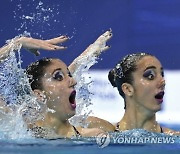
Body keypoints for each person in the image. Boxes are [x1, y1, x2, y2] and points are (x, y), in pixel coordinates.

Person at [0, 30, 115, 139]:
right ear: (40, 95)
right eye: (58, 77)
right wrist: (17, 44)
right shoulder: (19, 128)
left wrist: (84, 57)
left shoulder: (94, 133)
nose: (74, 81)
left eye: (69, 75)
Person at [108, 52, 180, 135]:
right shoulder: (101, 131)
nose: (163, 82)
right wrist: (89, 58)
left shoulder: (175, 137)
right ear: (128, 89)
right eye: (150, 76)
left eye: (162, 74)